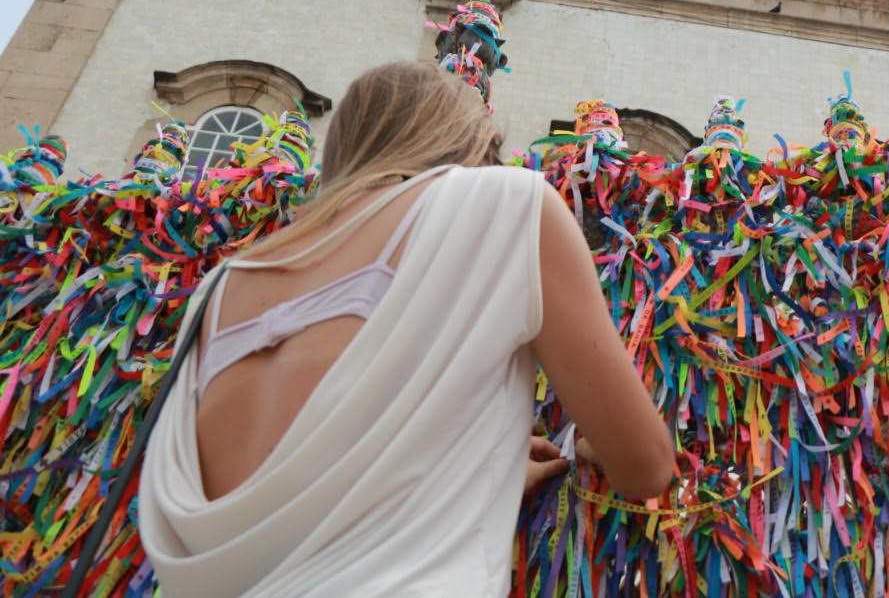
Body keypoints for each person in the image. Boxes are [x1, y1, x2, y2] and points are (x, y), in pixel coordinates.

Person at [140, 61, 675, 597]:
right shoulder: (507, 203)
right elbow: (646, 465)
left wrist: (475, 465)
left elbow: (277, 503)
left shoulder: (222, 289)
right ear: (468, 142)